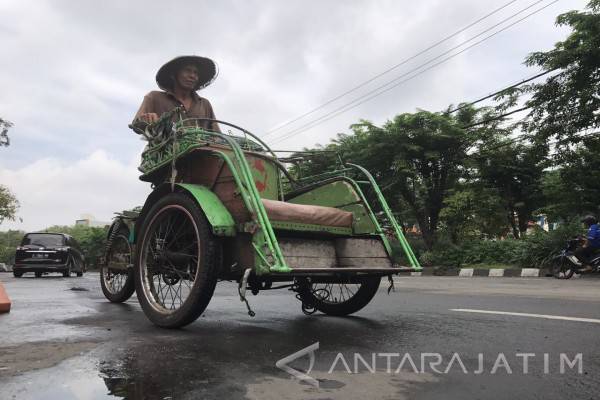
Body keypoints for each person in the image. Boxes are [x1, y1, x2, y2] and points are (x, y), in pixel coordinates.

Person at [133, 55, 221, 133]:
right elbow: (136, 125)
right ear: (173, 75)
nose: (193, 76)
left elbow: (217, 135)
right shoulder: (154, 97)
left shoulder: (204, 104)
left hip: (201, 150)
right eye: (187, 70)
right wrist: (145, 120)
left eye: (196, 73)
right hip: (164, 150)